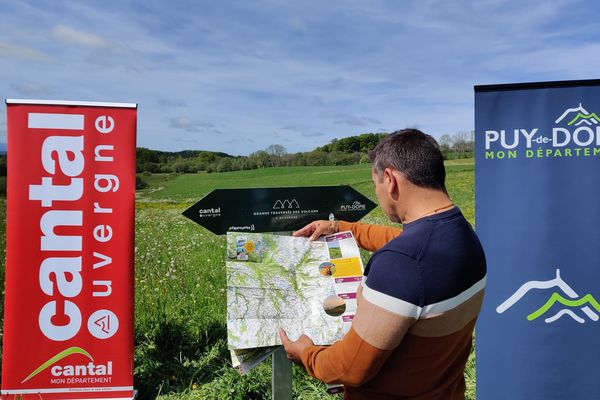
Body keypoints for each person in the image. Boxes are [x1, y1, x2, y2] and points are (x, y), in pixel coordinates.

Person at [279, 129, 486, 400]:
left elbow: (350, 369)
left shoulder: (401, 264)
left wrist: (306, 353)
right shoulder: (461, 233)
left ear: (390, 179)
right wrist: (340, 227)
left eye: (375, 184)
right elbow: (404, 241)